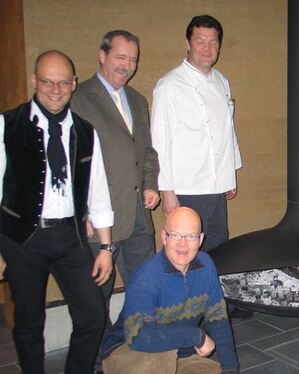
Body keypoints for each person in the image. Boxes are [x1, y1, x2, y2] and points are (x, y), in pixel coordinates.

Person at [0, 50, 114, 373]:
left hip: (70, 236)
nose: (55, 89)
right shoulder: (7, 125)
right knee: (28, 322)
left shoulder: (85, 131)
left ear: (74, 83)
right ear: (34, 80)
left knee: (92, 314)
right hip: (22, 239)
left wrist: (106, 248)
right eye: (48, 81)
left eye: (63, 82)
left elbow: (99, 191)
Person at [71, 29, 159, 307]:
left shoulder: (137, 100)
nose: (127, 66)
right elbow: (71, 163)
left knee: (145, 291)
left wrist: (150, 184)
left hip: (138, 219)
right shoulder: (79, 99)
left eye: (133, 60)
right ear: (102, 56)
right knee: (95, 299)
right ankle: (97, 351)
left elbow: (146, 151)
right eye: (121, 57)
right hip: (99, 221)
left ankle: (142, 347)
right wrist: (80, 213)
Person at [100, 207, 239, 373]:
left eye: (191, 236)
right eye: (175, 235)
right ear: (164, 237)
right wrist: (196, 336)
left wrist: (231, 369)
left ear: (201, 239)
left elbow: (219, 322)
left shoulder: (206, 266)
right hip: (127, 352)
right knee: (158, 361)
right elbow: (137, 336)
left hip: (180, 355)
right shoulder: (147, 275)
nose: (183, 243)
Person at [151, 14, 242, 252]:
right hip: (187, 188)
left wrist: (230, 173)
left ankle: (211, 290)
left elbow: (227, 130)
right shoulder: (169, 85)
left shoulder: (222, 81)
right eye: (200, 41)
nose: (207, 48)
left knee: (219, 246)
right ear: (188, 43)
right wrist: (167, 192)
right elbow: (160, 142)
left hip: (217, 187)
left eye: (213, 42)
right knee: (185, 253)